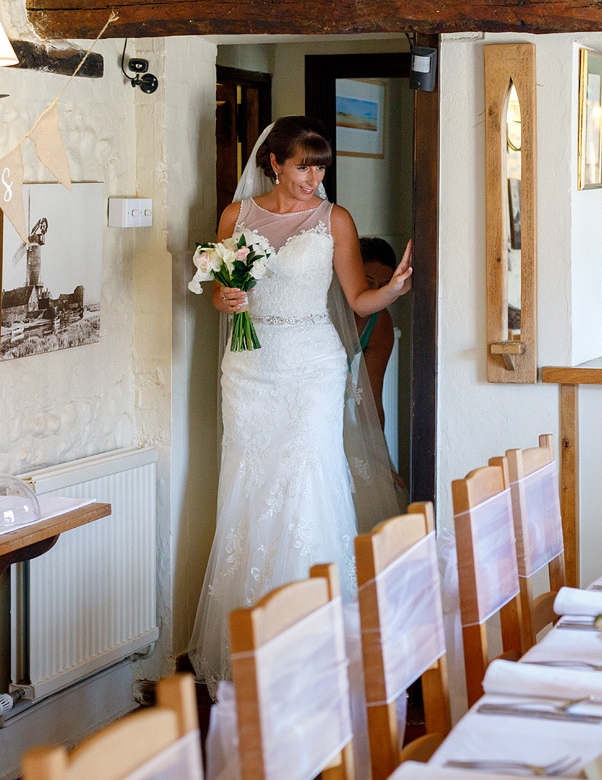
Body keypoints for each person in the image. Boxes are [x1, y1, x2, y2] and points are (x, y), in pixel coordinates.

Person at [188, 116, 412, 690]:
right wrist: (226, 297)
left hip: (312, 364)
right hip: (251, 367)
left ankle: (316, 645)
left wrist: (392, 290)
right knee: (250, 485)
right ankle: (253, 648)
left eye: (320, 166)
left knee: (310, 479)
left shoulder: (335, 220)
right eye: (303, 165)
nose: (314, 176)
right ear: (275, 164)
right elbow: (220, 294)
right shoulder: (236, 217)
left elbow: (358, 300)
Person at [356, 237, 398, 429]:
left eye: (384, 287)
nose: (376, 293)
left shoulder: (379, 321)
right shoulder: (322, 309)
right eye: (369, 282)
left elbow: (372, 398)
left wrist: (375, 453)